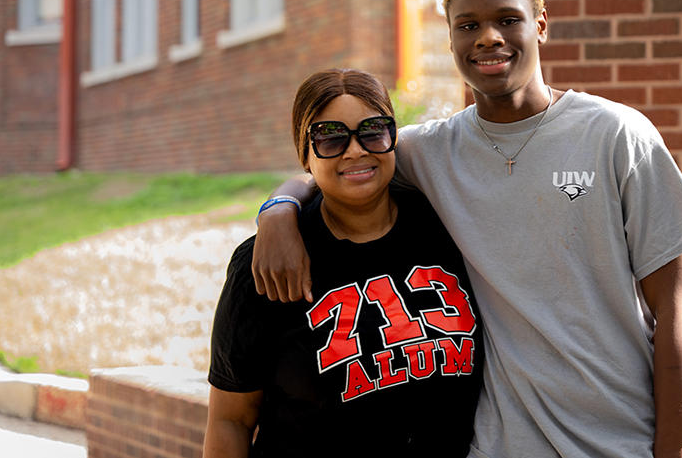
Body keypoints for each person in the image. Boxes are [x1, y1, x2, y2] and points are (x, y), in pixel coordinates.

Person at [252, 0, 682, 458]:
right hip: (498, 445)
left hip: (618, 439)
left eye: (507, 20)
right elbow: (342, 162)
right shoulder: (429, 151)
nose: (488, 37)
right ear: (450, 39)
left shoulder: (616, 135)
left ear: (540, 25)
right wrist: (278, 210)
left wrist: (675, 451)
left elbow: (681, 308)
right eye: (467, 24)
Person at [203, 68, 483, 458]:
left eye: (372, 130)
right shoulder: (268, 262)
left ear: (393, 138)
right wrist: (279, 211)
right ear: (305, 155)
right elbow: (230, 420)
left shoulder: (447, 227)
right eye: (330, 137)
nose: (355, 150)